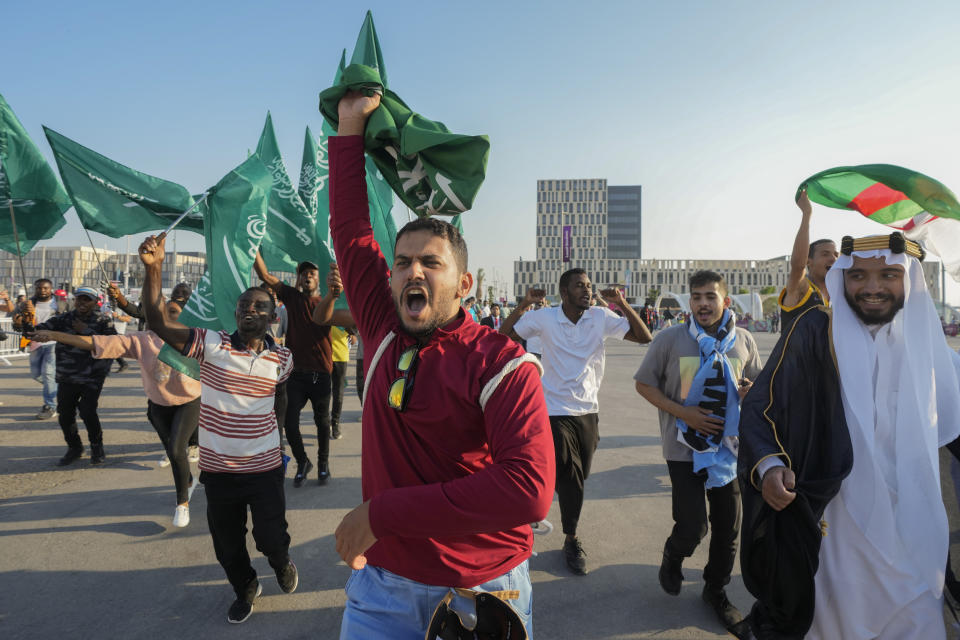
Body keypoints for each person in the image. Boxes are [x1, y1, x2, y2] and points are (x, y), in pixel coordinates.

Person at [329, 90, 554, 639]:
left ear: (465, 283)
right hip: (381, 591)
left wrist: (382, 516)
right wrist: (349, 127)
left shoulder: (502, 363)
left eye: (432, 262)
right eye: (403, 262)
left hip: (482, 595)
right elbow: (353, 231)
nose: (413, 272)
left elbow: (528, 488)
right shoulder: (383, 330)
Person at [738, 233, 960, 639]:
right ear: (842, 279)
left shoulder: (933, 352)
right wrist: (769, 466)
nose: (872, 287)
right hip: (836, 526)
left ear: (908, 279)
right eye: (858, 275)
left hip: (914, 527)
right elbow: (761, 406)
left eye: (888, 275)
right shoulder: (815, 332)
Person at [138, 233, 298, 624]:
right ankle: (246, 588)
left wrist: (275, 432)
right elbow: (157, 321)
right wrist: (154, 268)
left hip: (264, 471)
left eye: (259, 306)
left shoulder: (283, 359)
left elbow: (280, 397)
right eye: (244, 305)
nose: (249, 310)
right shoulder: (210, 344)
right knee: (228, 548)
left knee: (271, 538)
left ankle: (280, 563)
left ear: (272, 317)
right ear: (236, 313)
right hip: (219, 473)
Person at [634, 270, 761, 633]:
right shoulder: (671, 338)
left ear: (726, 301)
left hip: (728, 451)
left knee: (728, 528)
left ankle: (715, 590)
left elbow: (756, 386)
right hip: (682, 449)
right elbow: (644, 384)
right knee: (692, 526)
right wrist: (684, 412)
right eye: (697, 297)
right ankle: (674, 554)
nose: (703, 303)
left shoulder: (744, 341)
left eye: (710, 296)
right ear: (690, 301)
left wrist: (750, 392)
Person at [501, 272, 652, 575]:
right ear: (564, 292)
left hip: (588, 410)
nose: (588, 290)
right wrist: (524, 304)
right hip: (553, 409)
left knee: (579, 473)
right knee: (570, 473)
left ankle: (551, 499)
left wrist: (621, 302)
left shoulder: (599, 316)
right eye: (580, 286)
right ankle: (571, 537)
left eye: (589, 286)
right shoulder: (544, 317)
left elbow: (644, 337)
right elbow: (505, 335)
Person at [30, 294, 202, 527]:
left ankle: (182, 502)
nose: (163, 317)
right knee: (174, 454)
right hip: (158, 405)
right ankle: (188, 481)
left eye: (172, 312)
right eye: (158, 314)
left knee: (175, 449)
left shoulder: (194, 338)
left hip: (189, 401)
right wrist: (53, 335)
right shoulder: (141, 340)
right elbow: (95, 343)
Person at [254, 255, 338, 487]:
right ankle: (303, 461)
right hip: (296, 374)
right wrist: (252, 247)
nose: (307, 276)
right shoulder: (292, 297)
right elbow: (265, 276)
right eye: (303, 273)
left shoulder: (328, 300)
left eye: (312, 273)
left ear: (319, 279)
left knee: (323, 423)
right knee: (289, 424)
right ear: (299, 279)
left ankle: (323, 463)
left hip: (321, 373)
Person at [26, 286, 115, 465]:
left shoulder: (104, 321)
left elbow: (113, 344)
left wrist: (87, 331)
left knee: (88, 411)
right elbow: (35, 331)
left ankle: (97, 448)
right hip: (67, 375)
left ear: (95, 302)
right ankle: (74, 447)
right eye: (79, 298)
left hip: (93, 375)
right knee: (65, 414)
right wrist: (26, 321)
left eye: (86, 299)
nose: (82, 302)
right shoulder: (63, 319)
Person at [778, 189, 837, 335]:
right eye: (825, 254)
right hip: (796, 359)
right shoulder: (802, 288)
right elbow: (798, 266)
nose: (833, 259)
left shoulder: (838, 294)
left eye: (836, 254)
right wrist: (806, 214)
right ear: (809, 261)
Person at [13, 278, 72, 419]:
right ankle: (60, 388)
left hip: (54, 342)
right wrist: (19, 322)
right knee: (36, 375)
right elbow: (17, 326)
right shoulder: (25, 304)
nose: (42, 291)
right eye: (39, 288)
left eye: (45, 288)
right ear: (35, 288)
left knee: (48, 374)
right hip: (35, 343)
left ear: (50, 288)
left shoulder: (61, 303)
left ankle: (50, 406)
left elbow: (71, 320)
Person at [329, 325, 351, 440]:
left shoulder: (344, 309)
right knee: (323, 393)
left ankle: (335, 423)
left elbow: (355, 327)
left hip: (341, 356)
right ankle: (325, 421)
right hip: (325, 356)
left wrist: (353, 333)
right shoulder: (323, 309)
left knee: (338, 394)